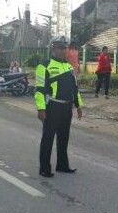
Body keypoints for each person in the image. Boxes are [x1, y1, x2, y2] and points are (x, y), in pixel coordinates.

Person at [35, 36, 83, 178]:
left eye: (65, 48)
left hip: (66, 108)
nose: (63, 51)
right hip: (52, 107)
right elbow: (39, 90)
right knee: (48, 138)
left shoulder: (69, 67)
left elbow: (75, 88)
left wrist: (79, 105)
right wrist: (41, 109)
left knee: (63, 138)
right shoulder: (44, 66)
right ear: (53, 49)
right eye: (60, 48)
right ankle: (44, 168)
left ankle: (62, 165)